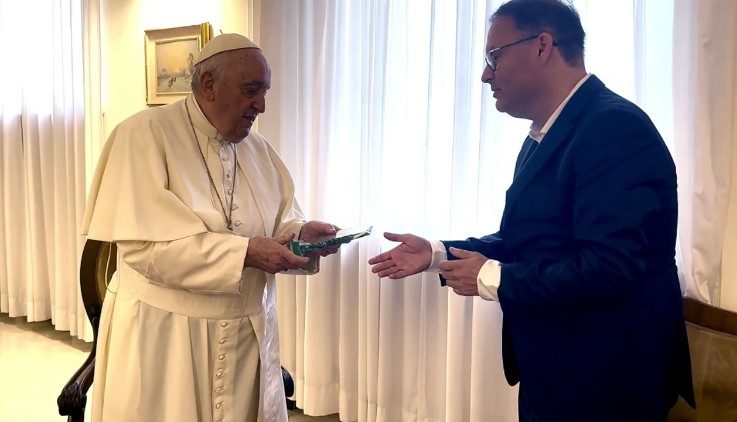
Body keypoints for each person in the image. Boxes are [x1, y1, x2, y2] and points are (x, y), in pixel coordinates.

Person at [369, 0, 695, 420]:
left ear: (542, 46)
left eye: (494, 56)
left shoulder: (614, 128)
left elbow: (610, 266)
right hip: (558, 368)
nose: (485, 74)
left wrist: (493, 276)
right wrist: (438, 253)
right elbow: (526, 241)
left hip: (607, 377)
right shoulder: (547, 132)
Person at [83, 33, 338, 421]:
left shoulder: (259, 149)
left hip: (247, 336)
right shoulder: (142, 134)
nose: (262, 105)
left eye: (265, 92)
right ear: (209, 84)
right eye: (251, 90)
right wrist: (246, 252)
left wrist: (301, 236)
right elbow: (145, 251)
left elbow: (280, 220)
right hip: (167, 341)